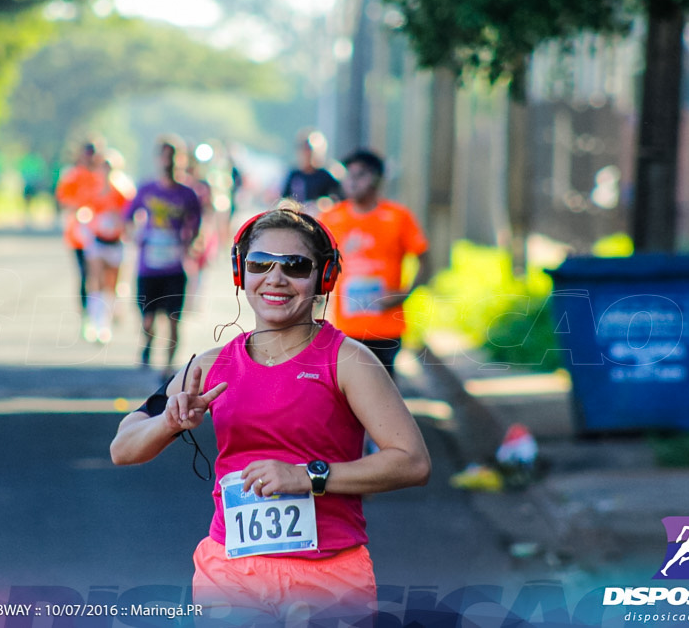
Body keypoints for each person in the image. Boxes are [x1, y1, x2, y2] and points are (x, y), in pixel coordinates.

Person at [110, 205, 431, 625]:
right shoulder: (210, 365)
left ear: (324, 276)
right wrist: (169, 421)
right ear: (241, 273)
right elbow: (122, 447)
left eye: (296, 266)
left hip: (329, 575)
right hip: (229, 572)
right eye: (260, 264)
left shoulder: (348, 360)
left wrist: (309, 476)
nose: (276, 279)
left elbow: (412, 461)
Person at [319, 149, 430, 379]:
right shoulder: (331, 218)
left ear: (377, 179)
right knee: (348, 398)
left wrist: (404, 294)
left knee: (382, 394)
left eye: (360, 175)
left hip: (386, 328)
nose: (351, 181)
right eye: (348, 175)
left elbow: (425, 261)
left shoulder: (398, 217)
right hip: (345, 328)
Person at [123, 136, 202, 374]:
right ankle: (147, 345)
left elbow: (197, 224)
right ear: (158, 159)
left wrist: (189, 243)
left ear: (182, 160)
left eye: (174, 155)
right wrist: (135, 237)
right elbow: (128, 216)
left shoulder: (188, 194)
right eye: (165, 155)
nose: (169, 161)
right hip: (149, 266)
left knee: (173, 320)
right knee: (148, 320)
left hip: (175, 267)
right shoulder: (147, 189)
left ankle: (168, 366)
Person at [81, 151, 136, 343]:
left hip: (116, 242)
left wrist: (122, 223)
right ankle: (93, 321)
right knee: (94, 280)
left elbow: (130, 214)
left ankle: (105, 322)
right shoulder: (94, 188)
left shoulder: (123, 190)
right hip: (97, 240)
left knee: (110, 284)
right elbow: (85, 210)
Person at [55, 142, 103, 334]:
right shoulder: (72, 176)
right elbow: (63, 200)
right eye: (86, 154)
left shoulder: (102, 175)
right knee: (85, 274)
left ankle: (101, 310)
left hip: (101, 234)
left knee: (100, 274)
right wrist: (78, 208)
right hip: (78, 235)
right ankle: (87, 313)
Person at [279, 129, 343, 211]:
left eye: (310, 149)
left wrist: (324, 203)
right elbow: (284, 200)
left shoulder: (327, 176)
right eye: (305, 148)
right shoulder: (294, 175)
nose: (308, 153)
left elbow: (339, 200)